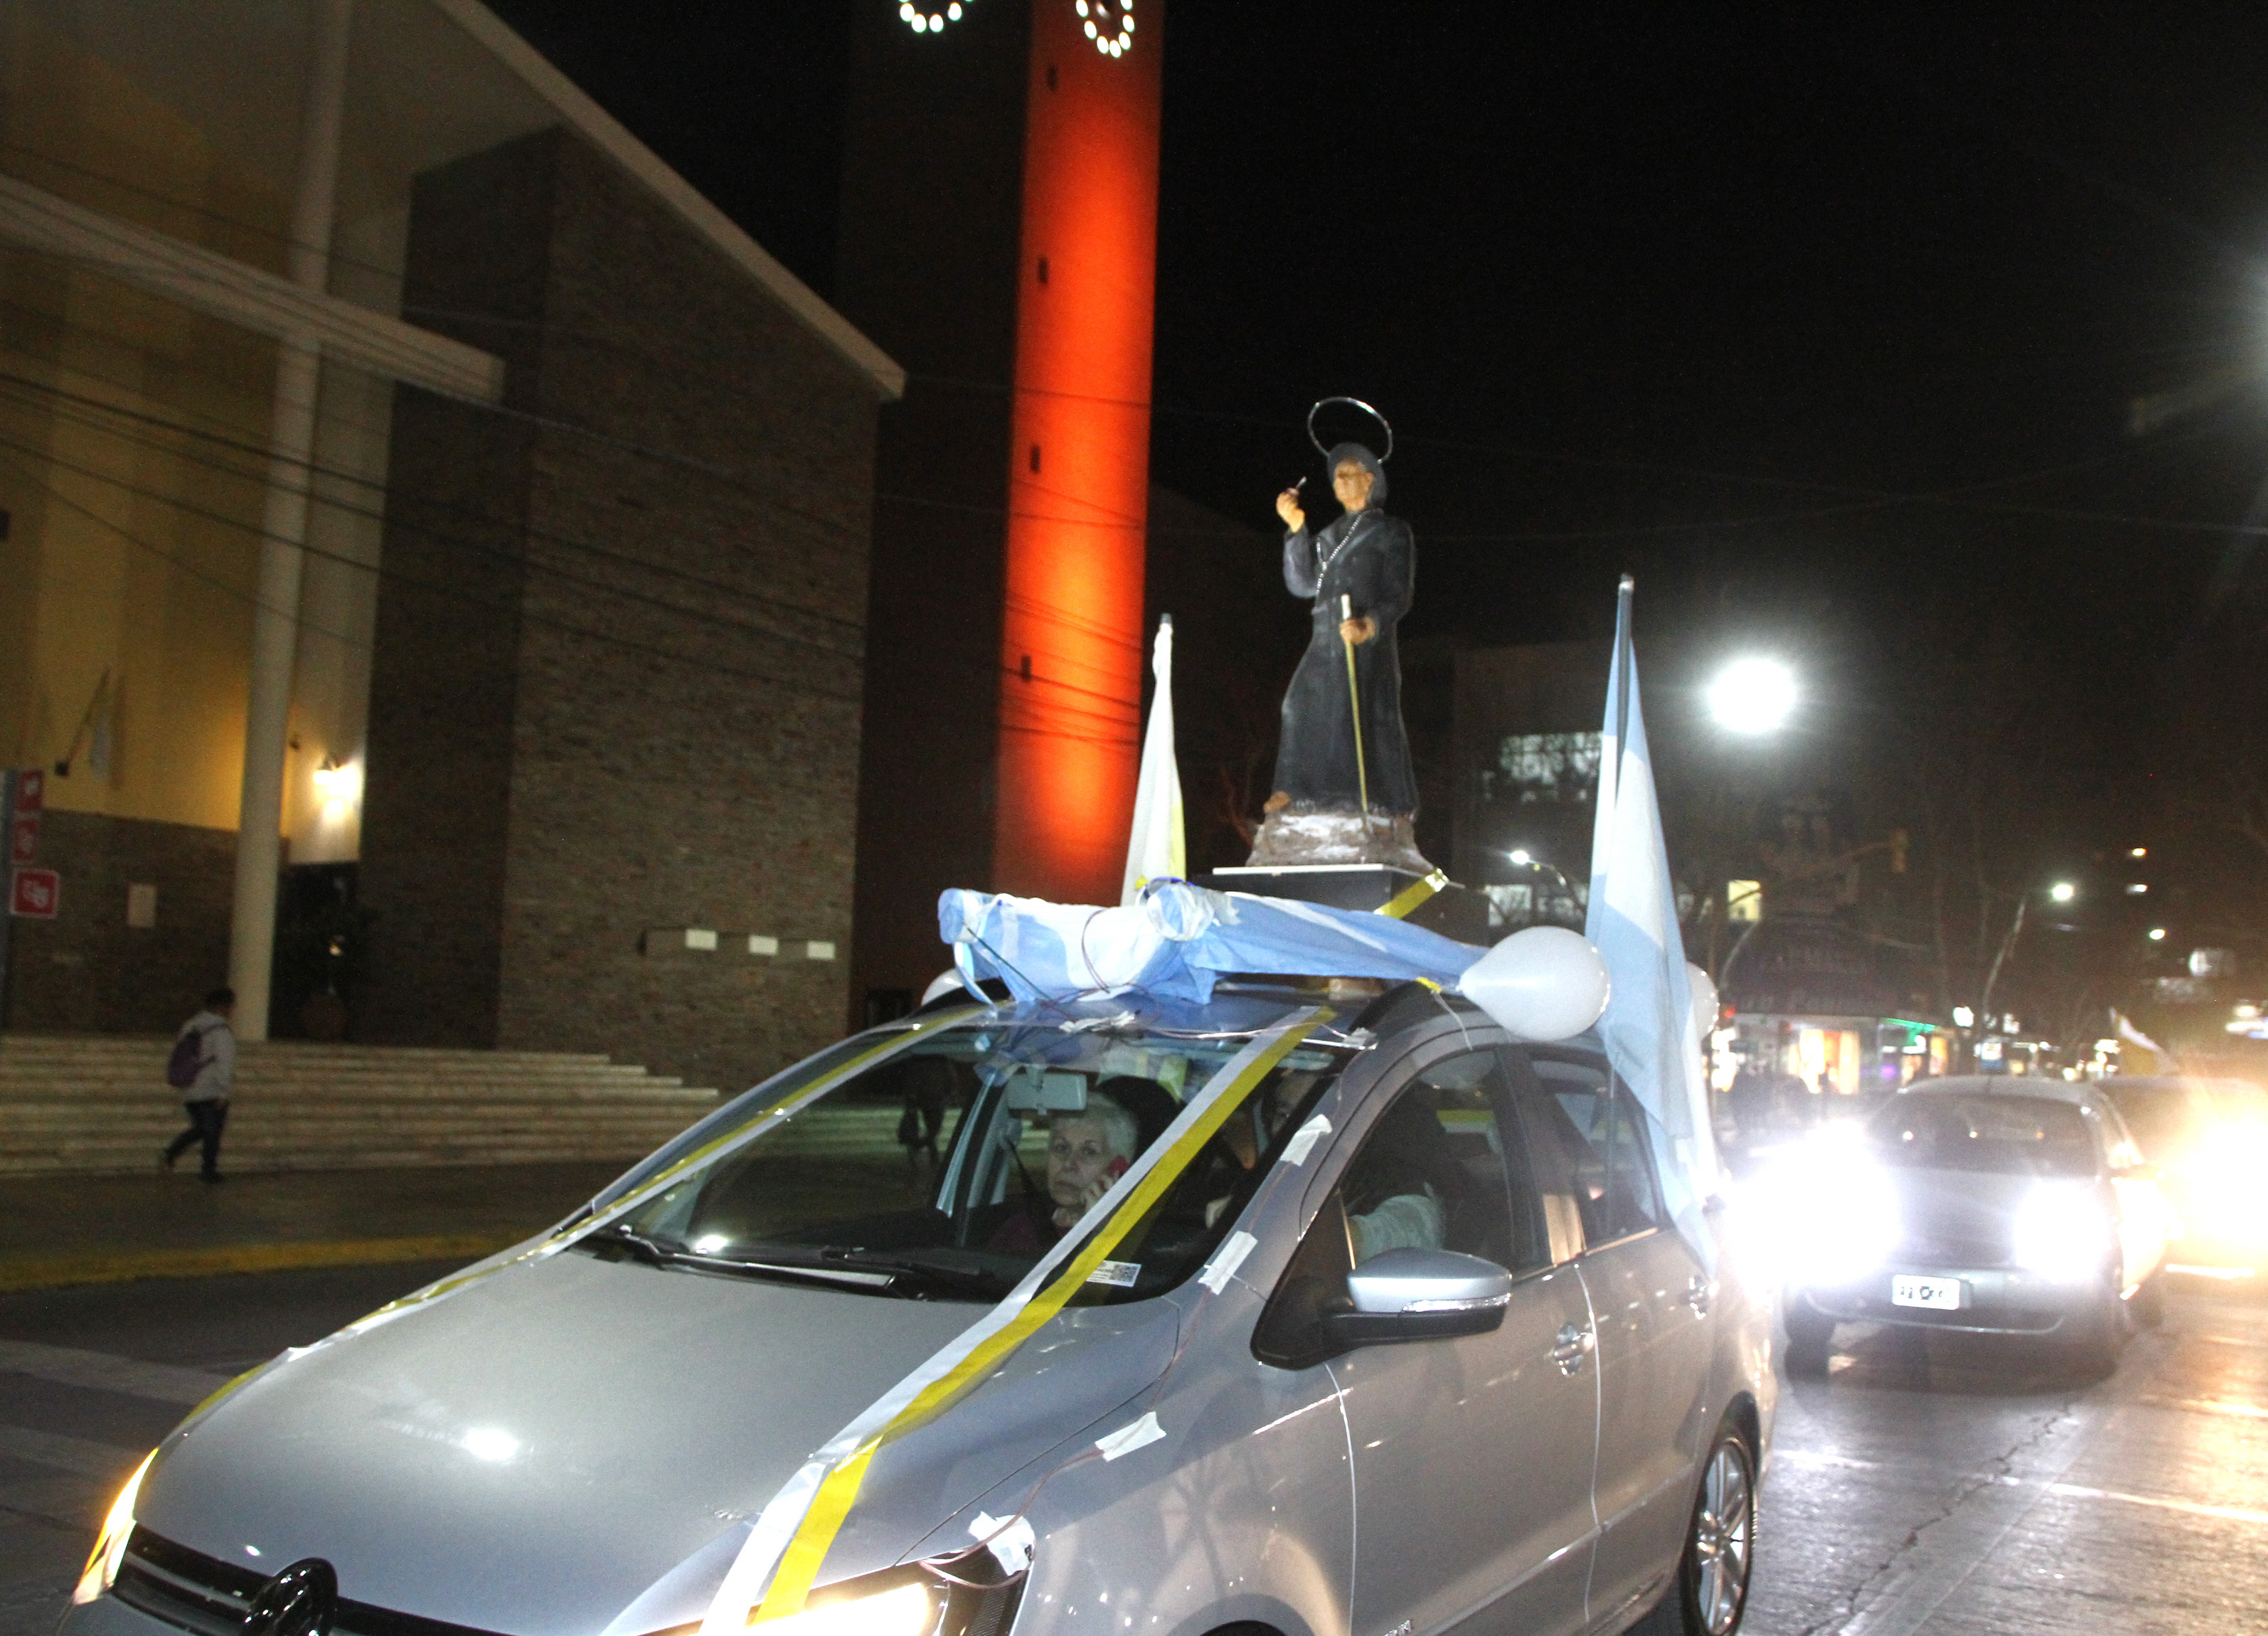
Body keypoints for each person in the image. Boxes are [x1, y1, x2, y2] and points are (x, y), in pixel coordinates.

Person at [1248, 442, 1426, 870]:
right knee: (1299, 703)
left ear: (1371, 479)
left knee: (1352, 713)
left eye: (1350, 474)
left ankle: (1362, 799)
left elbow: (1399, 593)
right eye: (1336, 478)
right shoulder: (1329, 536)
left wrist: (1372, 625)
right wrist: (1296, 530)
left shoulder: (1391, 532)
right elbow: (1302, 583)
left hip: (1363, 641)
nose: (1341, 483)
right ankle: (1294, 789)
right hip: (1325, 635)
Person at [987, 1088, 1143, 1255]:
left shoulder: (1136, 1238)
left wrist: (1101, 1229)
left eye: (1089, 1152)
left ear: (1118, 1168)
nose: (1069, 1163)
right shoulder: (1020, 1228)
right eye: (1061, 1148)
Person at [162, 987, 237, 1183]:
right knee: (211, 1131)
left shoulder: (191, 1025)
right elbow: (225, 1062)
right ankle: (207, 1169)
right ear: (224, 1006)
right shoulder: (221, 1031)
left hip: (189, 1085)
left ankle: (172, 1153)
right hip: (210, 1087)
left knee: (203, 1127)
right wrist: (224, 1091)